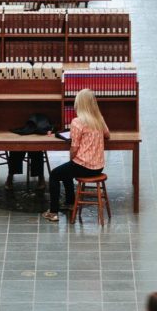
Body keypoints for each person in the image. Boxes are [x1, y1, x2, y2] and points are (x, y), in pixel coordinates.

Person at [42, 89, 109, 222]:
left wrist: (72, 159)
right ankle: (70, 202)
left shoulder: (77, 122)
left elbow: (74, 147)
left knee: (55, 174)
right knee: (66, 171)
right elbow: (107, 135)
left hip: (84, 165)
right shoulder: (99, 119)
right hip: (98, 167)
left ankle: (53, 212)